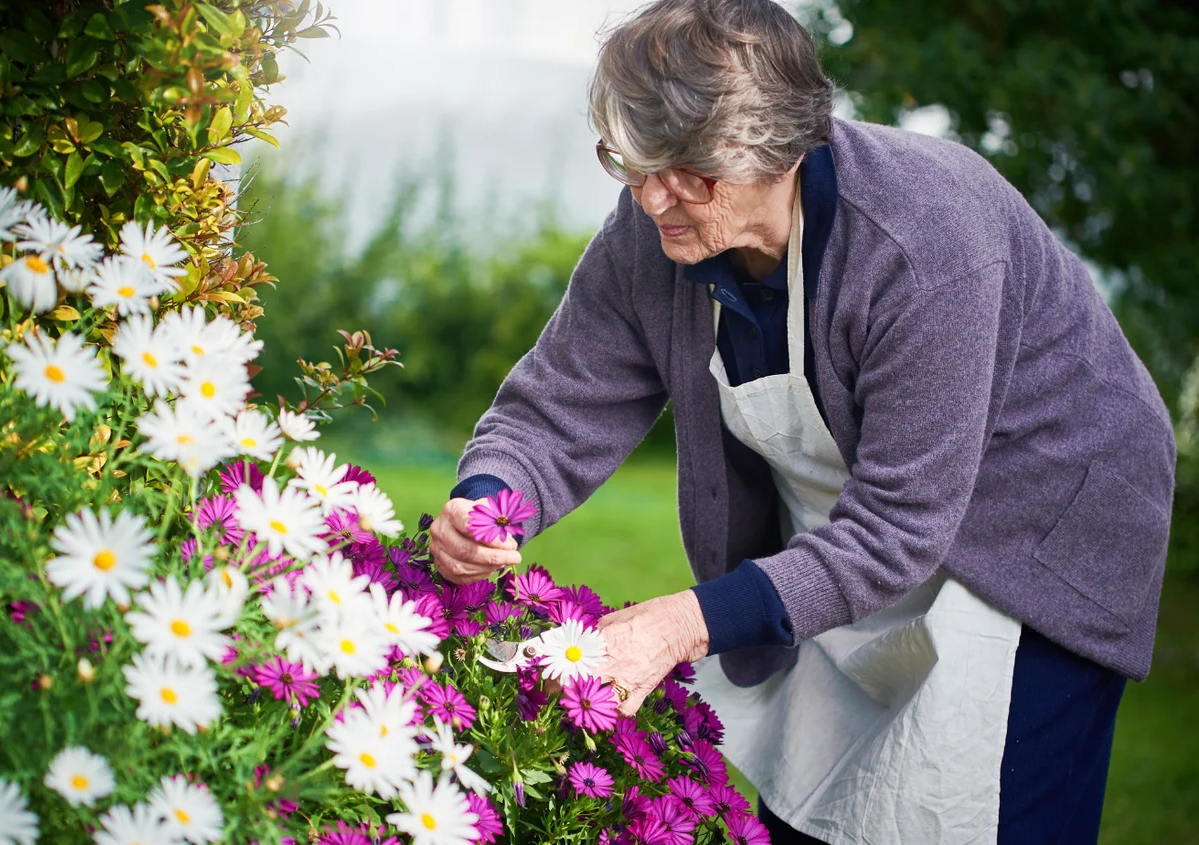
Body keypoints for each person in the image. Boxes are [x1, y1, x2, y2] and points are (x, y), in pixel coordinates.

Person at [429, 1, 1176, 842]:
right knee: (814, 805)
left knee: (981, 810)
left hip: (1037, 534)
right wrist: (487, 499)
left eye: (688, 170)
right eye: (629, 161)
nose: (651, 195)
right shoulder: (656, 230)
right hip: (861, 530)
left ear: (778, 146)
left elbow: (897, 525)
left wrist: (683, 622)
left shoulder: (925, 241)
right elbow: (560, 397)